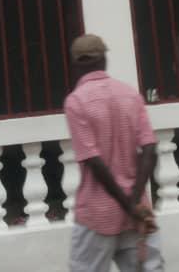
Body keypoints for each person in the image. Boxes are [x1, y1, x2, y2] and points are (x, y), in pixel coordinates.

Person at [64, 34, 163, 272]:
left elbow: (93, 161)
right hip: (137, 210)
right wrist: (133, 200)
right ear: (103, 59)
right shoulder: (130, 94)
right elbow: (150, 149)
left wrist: (122, 202)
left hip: (98, 213)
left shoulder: (76, 102)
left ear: (76, 64)